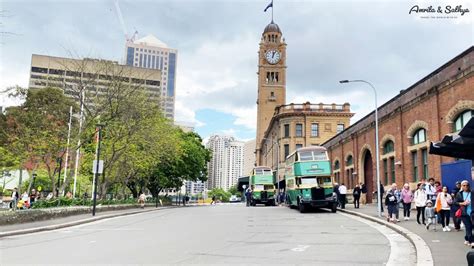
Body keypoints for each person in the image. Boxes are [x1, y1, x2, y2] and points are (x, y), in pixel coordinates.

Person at [455, 180, 473, 246]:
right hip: (463, 213)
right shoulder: (459, 194)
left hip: (471, 212)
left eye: (467, 185)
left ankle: (466, 239)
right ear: (461, 186)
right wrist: (462, 203)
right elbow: (455, 202)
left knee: (470, 227)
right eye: (464, 185)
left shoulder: (472, 192)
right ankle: (472, 241)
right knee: (468, 226)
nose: (466, 187)